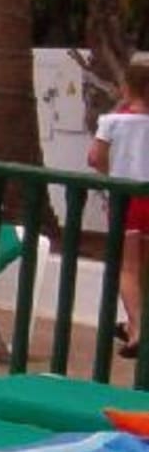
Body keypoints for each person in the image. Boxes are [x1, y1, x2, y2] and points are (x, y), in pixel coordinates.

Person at [88, 56, 149, 360]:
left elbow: (95, 158)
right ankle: (134, 324)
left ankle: (137, 328)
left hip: (126, 200)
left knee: (128, 268)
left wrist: (109, 175)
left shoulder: (112, 122)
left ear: (127, 86)